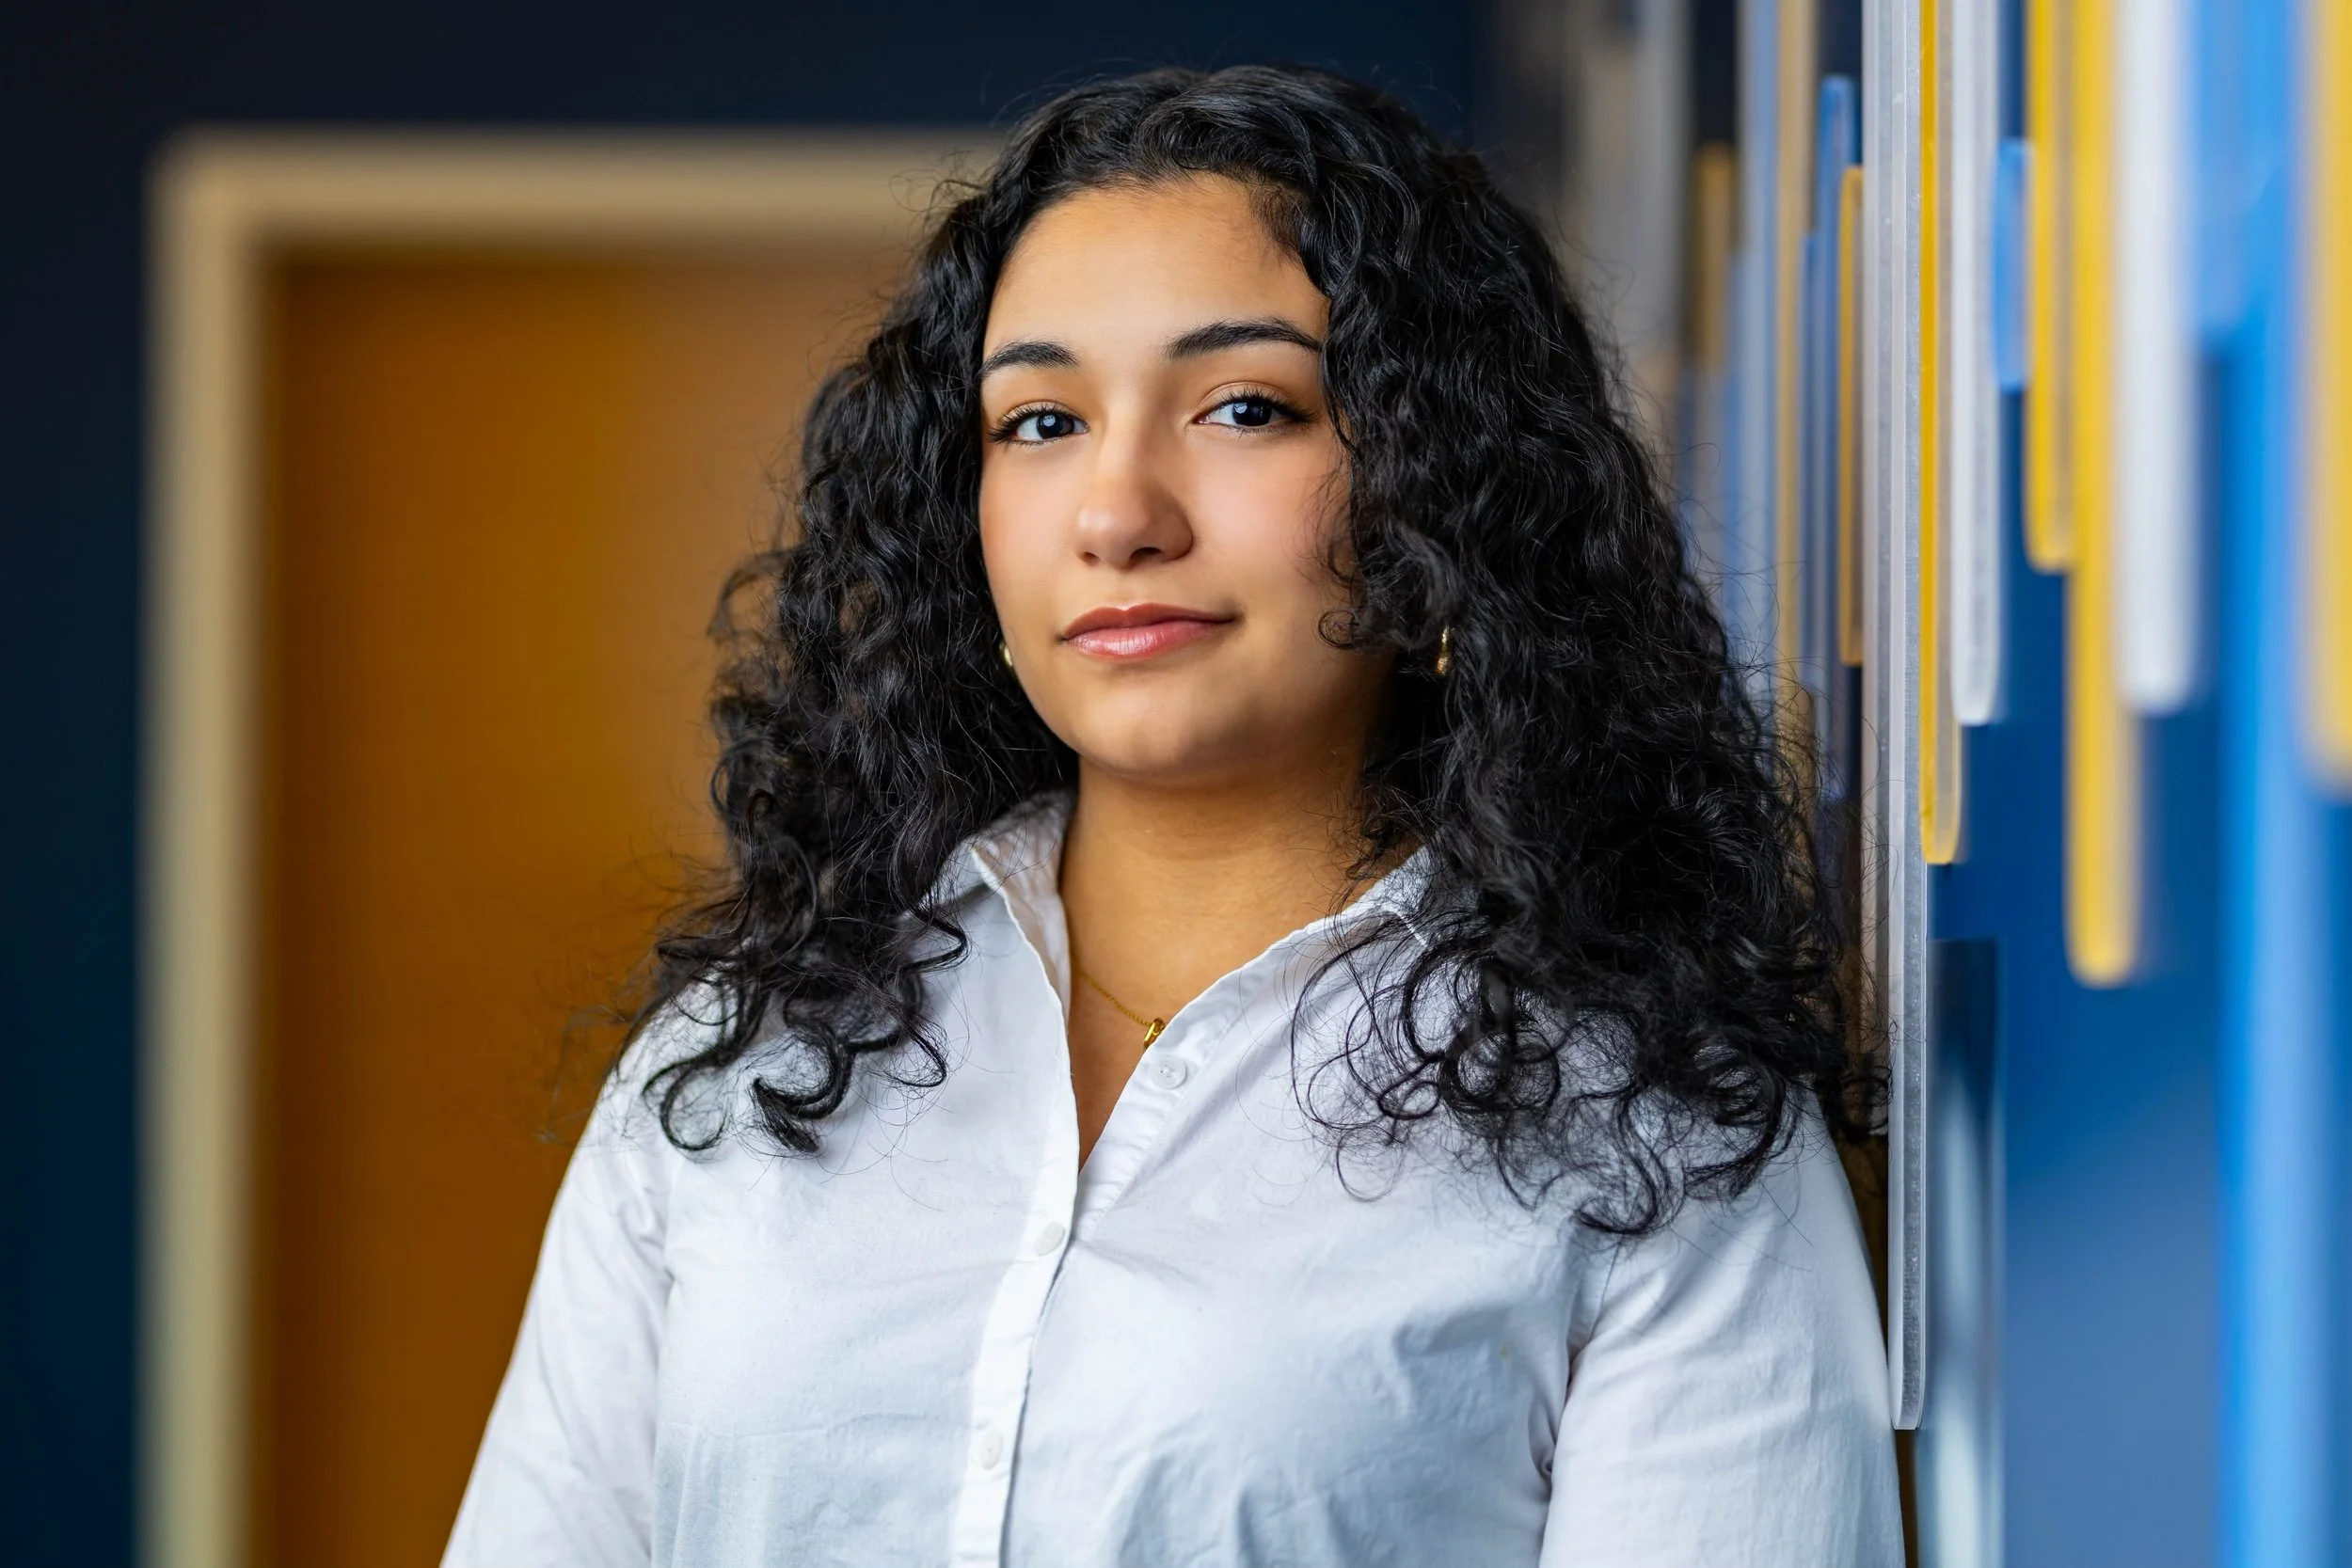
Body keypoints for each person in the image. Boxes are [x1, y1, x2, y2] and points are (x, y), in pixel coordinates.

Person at [442, 64, 1902, 1568]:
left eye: (1246, 407)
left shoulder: (1656, 1130)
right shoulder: (740, 1068)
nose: (1118, 511)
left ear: (1439, 490)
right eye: (1040, 421)